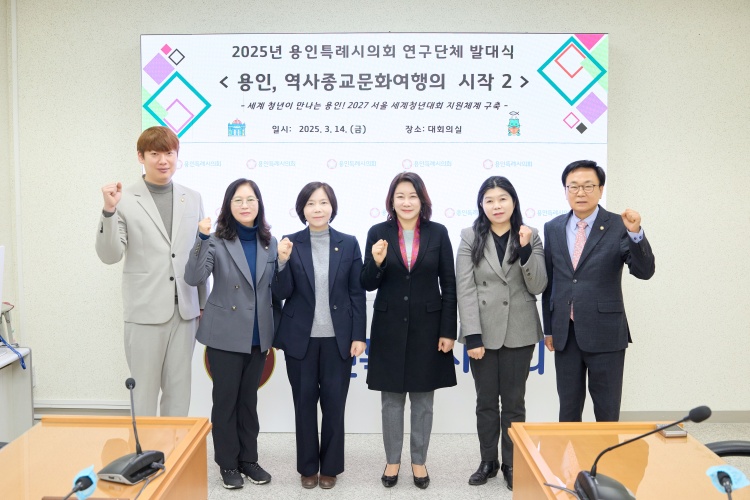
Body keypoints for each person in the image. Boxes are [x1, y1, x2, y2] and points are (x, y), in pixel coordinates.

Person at [95, 126, 206, 417]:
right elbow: (110, 255)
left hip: (185, 312)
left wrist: (203, 304)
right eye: (154, 153)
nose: (163, 160)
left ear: (177, 156)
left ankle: (174, 448)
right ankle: (142, 448)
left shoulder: (193, 198)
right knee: (143, 393)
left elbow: (199, 253)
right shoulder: (123, 200)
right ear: (140, 157)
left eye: (169, 153)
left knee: (179, 393)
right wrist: (108, 211)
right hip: (144, 312)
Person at [361, 172, 457, 490]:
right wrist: (376, 262)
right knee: (391, 400)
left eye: (412, 196)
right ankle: (392, 460)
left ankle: (418, 460)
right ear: (391, 200)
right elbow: (366, 282)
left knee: (423, 401)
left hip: (428, 328)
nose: (406, 202)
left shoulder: (438, 233)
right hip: (388, 327)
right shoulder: (378, 232)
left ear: (422, 200)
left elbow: (449, 284)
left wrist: (448, 330)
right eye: (400, 196)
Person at [542, 160, 655, 423]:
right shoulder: (553, 227)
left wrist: (635, 233)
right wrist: (549, 328)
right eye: (573, 186)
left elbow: (644, 271)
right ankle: (570, 453)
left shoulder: (619, 225)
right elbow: (551, 282)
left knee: (606, 410)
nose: (580, 192)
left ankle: (607, 452)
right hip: (565, 332)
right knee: (568, 409)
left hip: (606, 332)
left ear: (601, 189)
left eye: (588, 186)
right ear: (565, 190)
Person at [272, 182, 366, 490]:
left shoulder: (348, 243)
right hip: (301, 338)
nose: (317, 209)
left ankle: (331, 467)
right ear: (302, 209)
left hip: (338, 339)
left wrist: (359, 335)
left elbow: (356, 293)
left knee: (334, 405)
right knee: (304, 405)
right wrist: (281, 262)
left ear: (332, 207)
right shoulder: (289, 242)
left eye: (323, 202)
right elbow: (281, 292)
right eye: (311, 203)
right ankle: (308, 467)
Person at [455, 176, 547, 491]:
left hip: (519, 329)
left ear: (513, 201)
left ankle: (511, 463)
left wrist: (525, 249)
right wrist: (473, 335)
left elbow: (538, 285)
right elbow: (465, 288)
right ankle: (488, 462)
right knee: (485, 402)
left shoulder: (529, 235)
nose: (497, 205)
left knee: (514, 403)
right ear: (481, 205)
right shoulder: (469, 236)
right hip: (482, 331)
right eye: (490, 200)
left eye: (503, 199)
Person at [184, 178, 277, 489]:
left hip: (257, 336)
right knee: (225, 402)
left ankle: (248, 460)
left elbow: (273, 288)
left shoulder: (270, 242)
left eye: (250, 199)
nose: (245, 205)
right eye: (238, 200)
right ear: (228, 206)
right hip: (225, 334)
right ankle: (227, 463)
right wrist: (201, 237)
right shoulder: (216, 241)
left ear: (259, 204)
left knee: (248, 402)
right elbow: (194, 276)